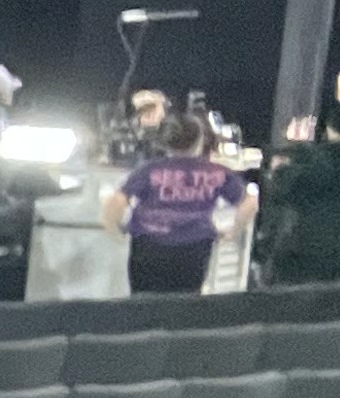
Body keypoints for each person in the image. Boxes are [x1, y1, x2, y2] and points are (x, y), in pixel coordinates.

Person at [108, 104, 256, 294]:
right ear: (200, 139)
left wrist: (114, 230)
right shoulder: (215, 173)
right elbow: (249, 202)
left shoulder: (149, 170)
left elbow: (117, 201)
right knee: (184, 306)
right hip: (194, 249)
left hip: (148, 247)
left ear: (164, 141)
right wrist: (233, 231)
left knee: (143, 305)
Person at [259, 69, 340, 285]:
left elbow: (285, 189)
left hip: (305, 261)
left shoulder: (334, 159)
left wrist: (282, 165)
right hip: (338, 259)